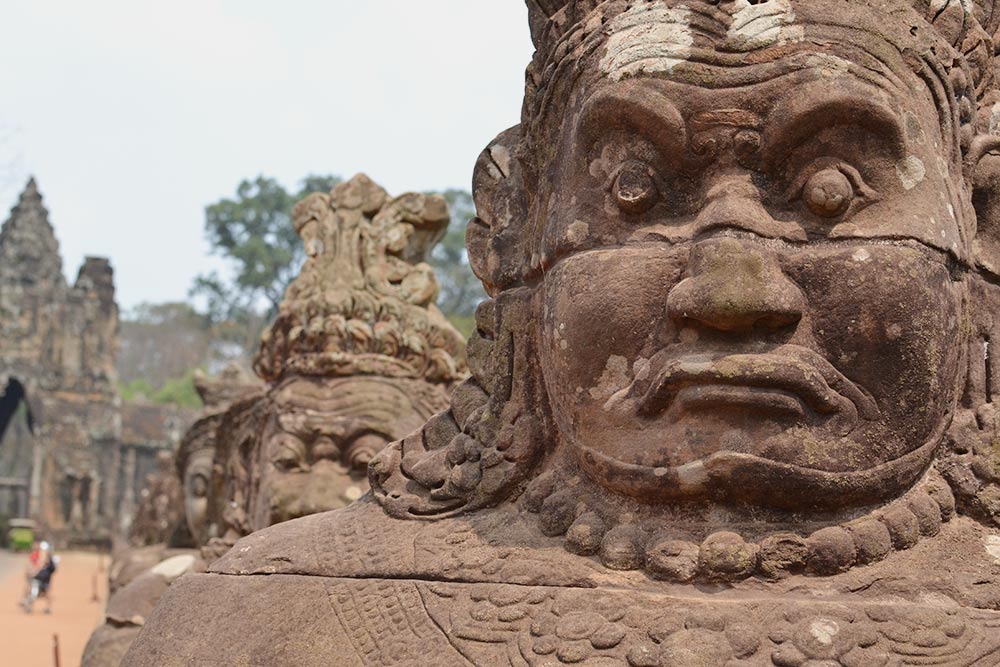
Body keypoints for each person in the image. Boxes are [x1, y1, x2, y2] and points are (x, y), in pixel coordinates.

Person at [21, 541, 57, 614]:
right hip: (38, 576)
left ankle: (48, 607)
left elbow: (50, 569)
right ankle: (28, 603)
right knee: (30, 586)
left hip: (45, 577)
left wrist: (35, 571)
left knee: (46, 592)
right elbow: (33, 564)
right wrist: (30, 571)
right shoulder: (38, 555)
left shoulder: (50, 558)